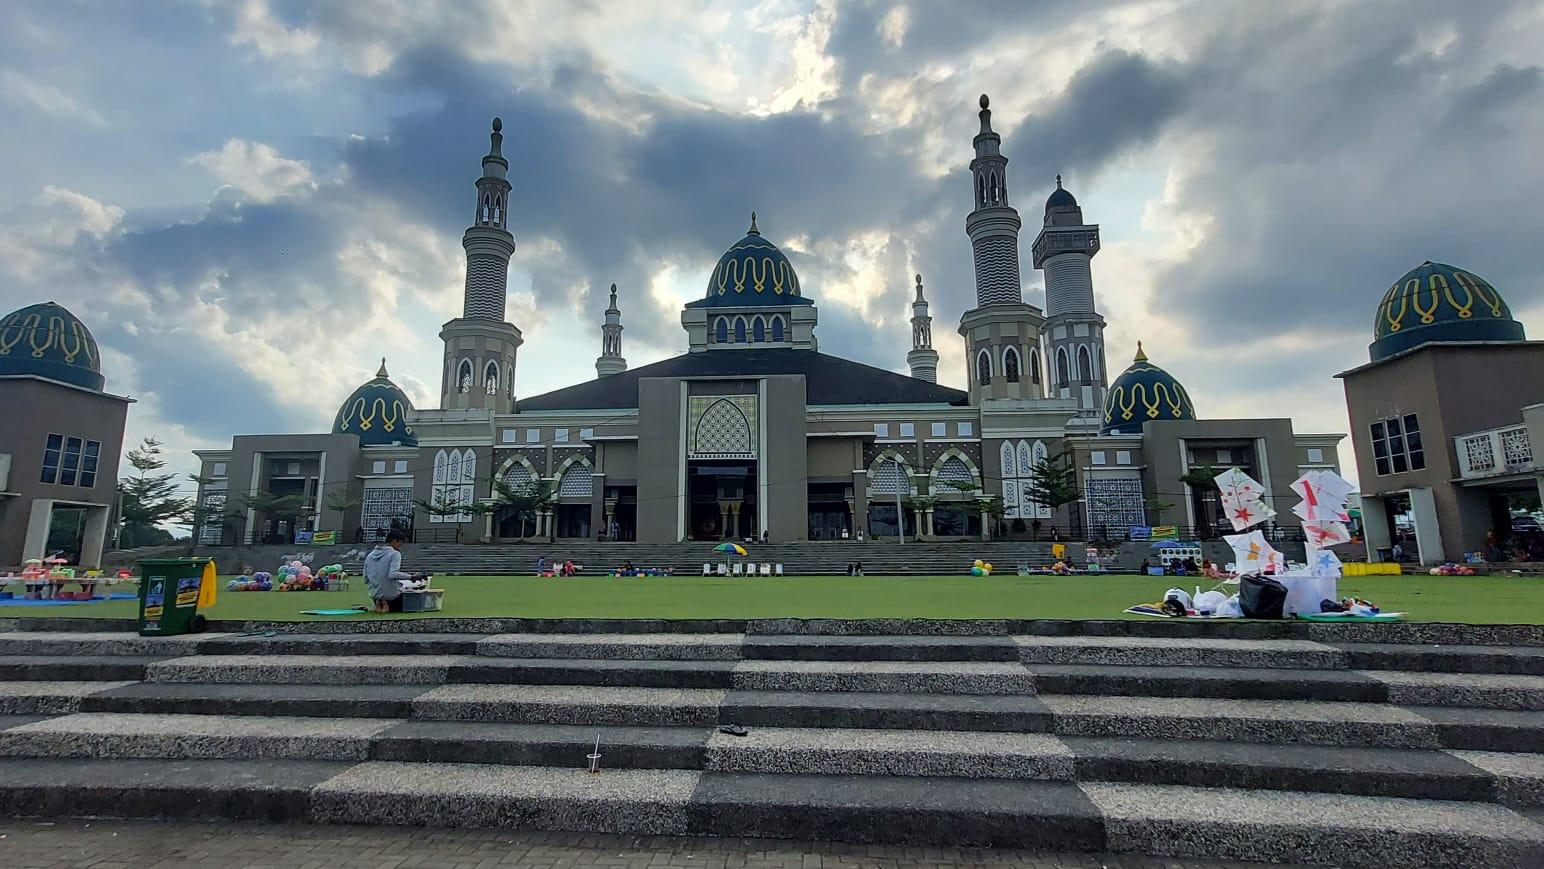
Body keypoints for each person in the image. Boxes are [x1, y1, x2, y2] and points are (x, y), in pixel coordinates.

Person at [364, 530, 411, 614]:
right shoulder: (394, 554)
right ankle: (385, 603)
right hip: (392, 598)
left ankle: (379, 602)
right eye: (400, 543)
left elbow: (366, 579)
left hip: (375, 595)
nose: (400, 546)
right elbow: (393, 574)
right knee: (410, 595)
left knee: (380, 591)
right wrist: (411, 577)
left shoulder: (370, 556)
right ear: (394, 541)